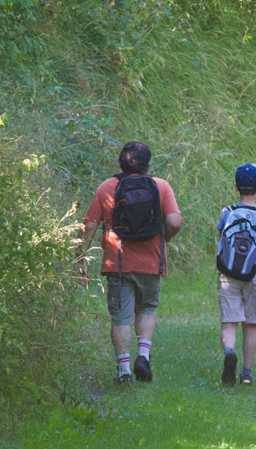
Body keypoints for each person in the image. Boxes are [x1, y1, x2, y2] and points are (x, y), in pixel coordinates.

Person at [78, 141, 183, 383]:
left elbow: (90, 226)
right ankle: (143, 356)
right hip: (152, 261)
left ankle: (124, 371)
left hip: (118, 262)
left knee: (121, 317)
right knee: (147, 308)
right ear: (147, 163)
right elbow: (175, 222)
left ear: (121, 161)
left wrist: (80, 258)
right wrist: (164, 237)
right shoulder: (161, 186)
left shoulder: (107, 187)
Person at [215, 163, 256, 386]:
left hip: (228, 274)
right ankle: (247, 373)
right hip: (254, 274)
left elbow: (221, 235)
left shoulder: (228, 212)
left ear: (235, 187)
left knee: (229, 321)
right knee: (250, 324)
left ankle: (229, 351)